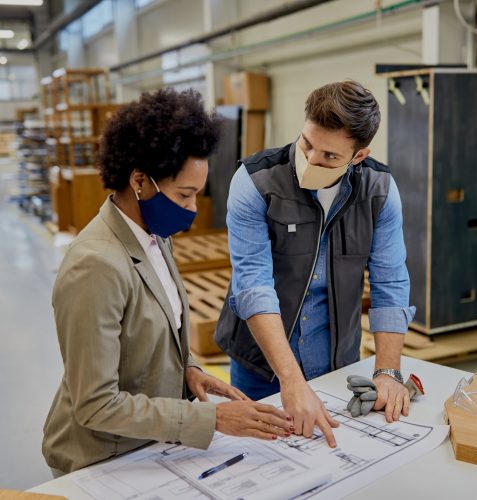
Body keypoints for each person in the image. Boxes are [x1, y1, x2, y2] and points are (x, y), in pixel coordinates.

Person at [42, 88, 293, 475]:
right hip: (101, 457)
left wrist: (189, 369)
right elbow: (95, 404)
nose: (193, 209)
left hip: (148, 443)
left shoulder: (154, 236)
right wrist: (214, 420)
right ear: (139, 181)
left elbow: (154, 330)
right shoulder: (95, 266)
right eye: (184, 195)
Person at [215, 80, 416, 447]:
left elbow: (390, 282)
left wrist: (388, 371)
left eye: (329, 156)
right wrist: (291, 379)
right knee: (256, 461)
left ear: (358, 155)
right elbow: (253, 286)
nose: (311, 160)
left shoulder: (379, 190)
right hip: (260, 365)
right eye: (307, 144)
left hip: (336, 363)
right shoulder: (255, 181)